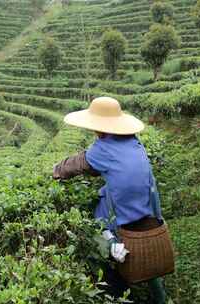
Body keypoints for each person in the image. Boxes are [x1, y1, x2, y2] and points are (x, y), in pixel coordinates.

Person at [52, 96, 167, 303]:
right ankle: (162, 298)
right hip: (149, 208)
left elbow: (79, 164)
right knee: (152, 270)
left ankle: (116, 288)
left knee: (100, 225)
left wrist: (56, 172)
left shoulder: (101, 149)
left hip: (124, 216)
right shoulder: (135, 144)